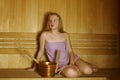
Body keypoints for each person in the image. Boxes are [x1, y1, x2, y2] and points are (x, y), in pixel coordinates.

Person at [27, 12, 99, 77]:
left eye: (55, 20)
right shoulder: (44, 35)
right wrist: (34, 67)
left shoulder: (65, 35)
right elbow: (41, 51)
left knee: (88, 71)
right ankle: (80, 68)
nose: (52, 22)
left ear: (59, 22)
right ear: (48, 22)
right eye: (50, 20)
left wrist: (71, 63)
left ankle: (85, 65)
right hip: (58, 64)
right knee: (72, 73)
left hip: (72, 59)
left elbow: (70, 51)